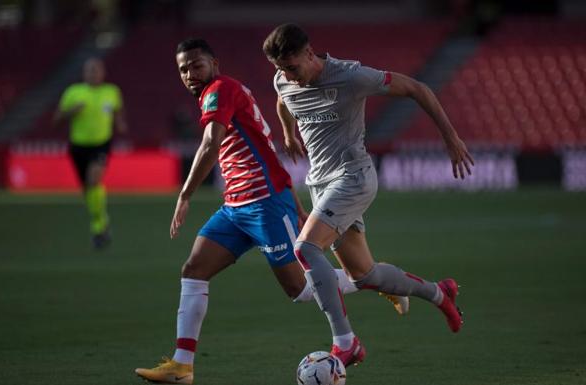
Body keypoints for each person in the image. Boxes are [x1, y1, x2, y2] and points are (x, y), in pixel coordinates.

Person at [134, 38, 409, 385]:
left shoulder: (220, 89)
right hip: (236, 205)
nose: (190, 74)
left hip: (264, 201)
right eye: (183, 69)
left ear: (214, 64)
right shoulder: (214, 93)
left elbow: (210, 143)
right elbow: (258, 142)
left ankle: (378, 280)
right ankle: (182, 365)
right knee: (194, 269)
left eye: (196, 65)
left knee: (301, 290)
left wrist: (185, 194)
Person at [262, 23, 475, 367]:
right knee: (364, 276)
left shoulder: (350, 76)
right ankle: (440, 293)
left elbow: (417, 88)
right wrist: (288, 134)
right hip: (320, 184)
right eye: (280, 69)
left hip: (353, 176)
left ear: (309, 53)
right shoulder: (283, 80)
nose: (288, 76)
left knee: (304, 248)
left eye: (292, 67)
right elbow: (282, 101)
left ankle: (345, 342)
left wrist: (450, 138)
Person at [54, 58, 127, 249]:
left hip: (101, 144)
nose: (93, 74)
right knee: (88, 189)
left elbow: (117, 112)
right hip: (78, 145)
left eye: (97, 70)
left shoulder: (112, 92)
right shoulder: (73, 92)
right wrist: (71, 112)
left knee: (94, 180)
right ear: (84, 73)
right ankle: (102, 219)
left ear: (103, 73)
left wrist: (120, 123)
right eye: (90, 70)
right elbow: (56, 120)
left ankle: (98, 227)